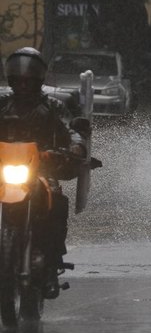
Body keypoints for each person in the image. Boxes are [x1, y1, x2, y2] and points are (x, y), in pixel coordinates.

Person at [0, 47, 87, 298]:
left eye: (29, 79)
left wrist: (75, 145)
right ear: (11, 79)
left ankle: (51, 264)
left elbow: (71, 128)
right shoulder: (3, 103)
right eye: (18, 79)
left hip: (40, 169)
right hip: (4, 169)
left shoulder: (52, 105)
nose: (24, 84)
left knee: (56, 200)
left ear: (39, 79)